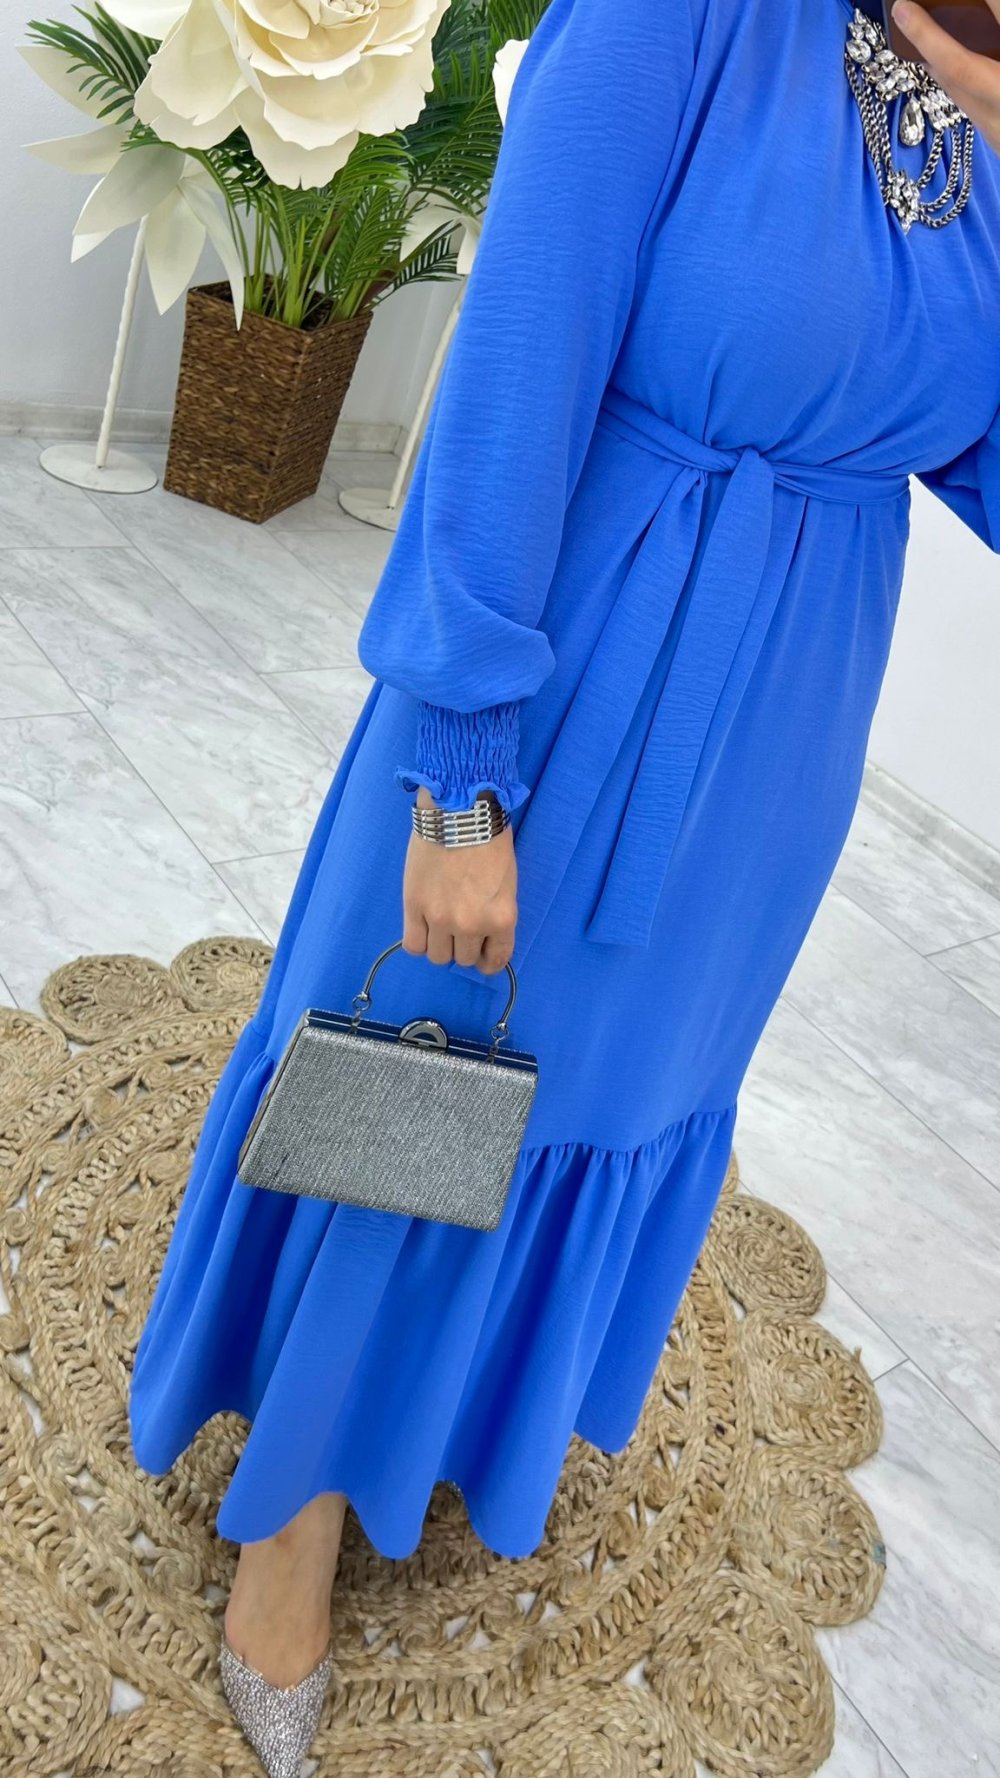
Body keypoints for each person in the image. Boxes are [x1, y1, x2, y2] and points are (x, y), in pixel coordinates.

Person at [127, 0, 1000, 1771]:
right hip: (574, 665)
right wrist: (462, 779)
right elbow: (517, 367)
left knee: (601, 1098)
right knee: (422, 1078)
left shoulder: (981, 110)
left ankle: (438, 1412)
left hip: (775, 741)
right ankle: (290, 1527)